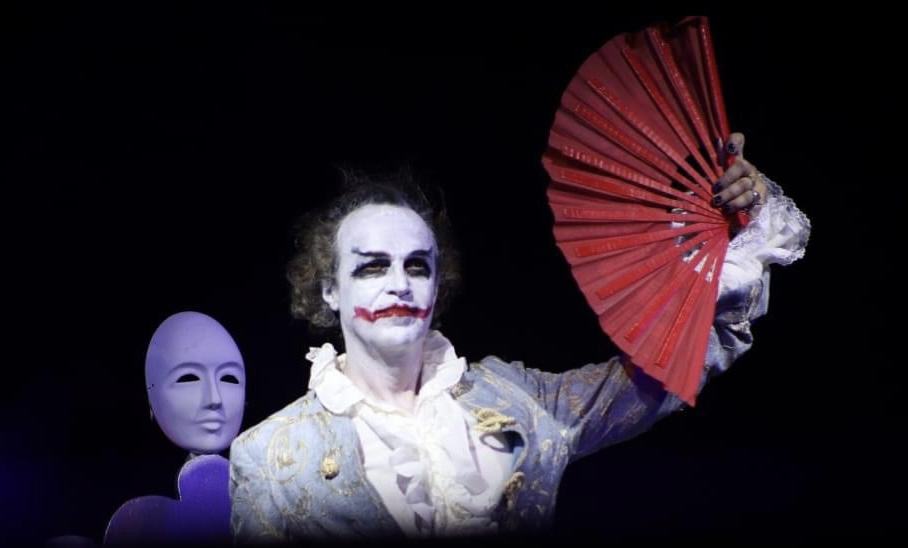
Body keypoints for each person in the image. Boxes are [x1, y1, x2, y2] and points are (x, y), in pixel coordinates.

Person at [228, 134, 810, 542]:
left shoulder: (519, 398)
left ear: (438, 283)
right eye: (372, 266)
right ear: (331, 289)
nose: (399, 284)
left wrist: (739, 227)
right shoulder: (269, 457)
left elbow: (665, 374)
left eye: (417, 266)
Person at [103, 311, 247, 546]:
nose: (214, 398)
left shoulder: (275, 482)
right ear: (151, 398)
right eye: (188, 378)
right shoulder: (137, 520)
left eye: (229, 378)